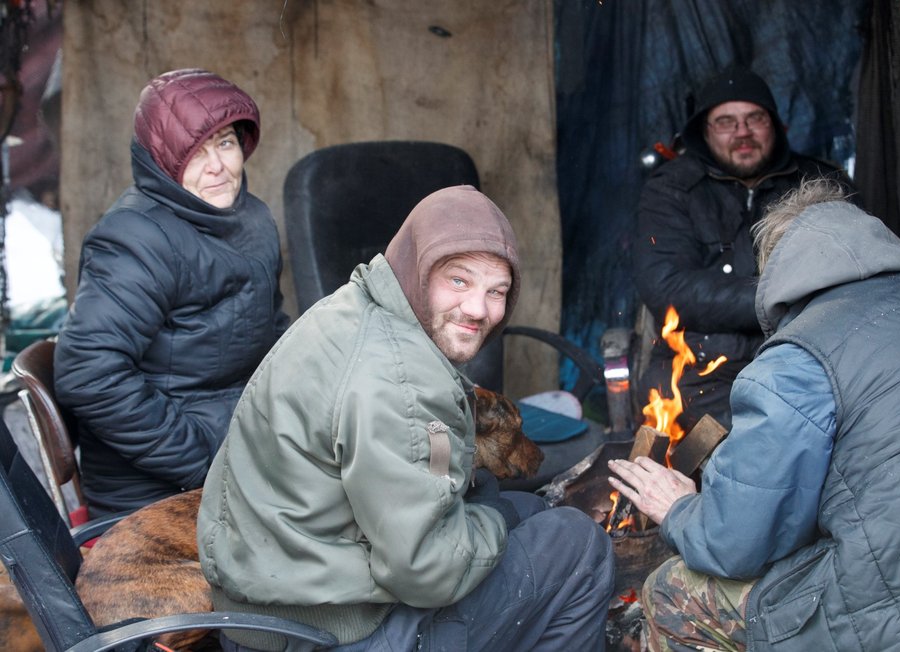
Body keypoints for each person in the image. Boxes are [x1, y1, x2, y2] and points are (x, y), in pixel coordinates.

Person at [197, 185, 615, 652]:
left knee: (531, 510)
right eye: (459, 281)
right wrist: (492, 517)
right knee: (580, 545)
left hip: (268, 604)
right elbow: (426, 569)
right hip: (328, 632)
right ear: (419, 268)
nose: (479, 310)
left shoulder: (355, 308)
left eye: (496, 291)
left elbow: (420, 470)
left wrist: (490, 511)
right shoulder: (401, 382)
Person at [609, 178, 900, 651]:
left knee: (671, 590)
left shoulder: (800, 357)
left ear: (779, 269)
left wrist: (680, 509)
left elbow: (735, 545)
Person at [54, 69, 290, 516]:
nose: (217, 166)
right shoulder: (135, 239)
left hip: (244, 450)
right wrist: (202, 461)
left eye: (224, 143)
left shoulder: (252, 218)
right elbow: (88, 372)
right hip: (160, 491)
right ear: (163, 164)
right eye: (194, 154)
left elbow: (274, 333)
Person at [631, 65, 853, 431]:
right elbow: (667, 288)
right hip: (700, 371)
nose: (742, 133)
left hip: (805, 359)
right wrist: (783, 296)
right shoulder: (671, 188)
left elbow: (848, 279)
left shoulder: (820, 182)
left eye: (755, 118)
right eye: (726, 122)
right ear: (704, 131)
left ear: (776, 125)